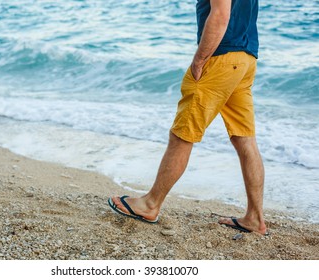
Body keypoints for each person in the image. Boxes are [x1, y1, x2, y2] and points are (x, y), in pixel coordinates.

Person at [108, 0, 267, 235]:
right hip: (246, 57)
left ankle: (150, 204)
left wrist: (200, 59)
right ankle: (255, 218)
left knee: (183, 135)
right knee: (244, 138)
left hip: (221, 58)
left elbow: (221, 14)